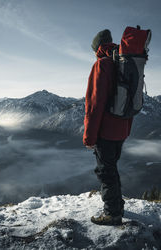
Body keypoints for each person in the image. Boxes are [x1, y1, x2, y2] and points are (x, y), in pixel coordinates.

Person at [83, 29, 133, 225]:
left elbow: (94, 105)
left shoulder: (102, 65)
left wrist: (89, 138)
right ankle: (117, 205)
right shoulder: (124, 64)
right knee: (112, 168)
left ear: (97, 48)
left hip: (106, 131)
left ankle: (112, 213)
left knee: (105, 171)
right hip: (122, 128)